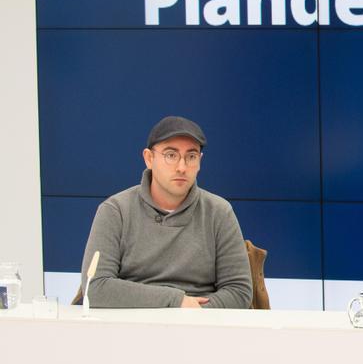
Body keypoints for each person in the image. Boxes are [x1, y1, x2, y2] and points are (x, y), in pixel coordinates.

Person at [79, 116, 252, 308]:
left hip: (199, 328)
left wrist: (195, 312)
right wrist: (176, 301)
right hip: (131, 327)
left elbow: (239, 291)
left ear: (200, 161)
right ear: (149, 158)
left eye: (191, 156)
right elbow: (94, 287)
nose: (182, 167)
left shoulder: (219, 212)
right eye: (171, 155)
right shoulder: (115, 211)